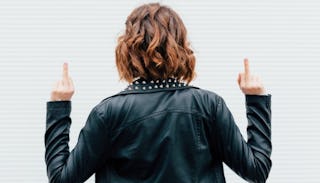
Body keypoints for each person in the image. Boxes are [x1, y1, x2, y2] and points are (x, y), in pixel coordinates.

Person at [45, 3, 272, 183]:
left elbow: (61, 178)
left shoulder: (107, 114)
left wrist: (60, 105)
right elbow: (257, 170)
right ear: (181, 47)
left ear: (127, 51)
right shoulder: (209, 105)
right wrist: (256, 99)